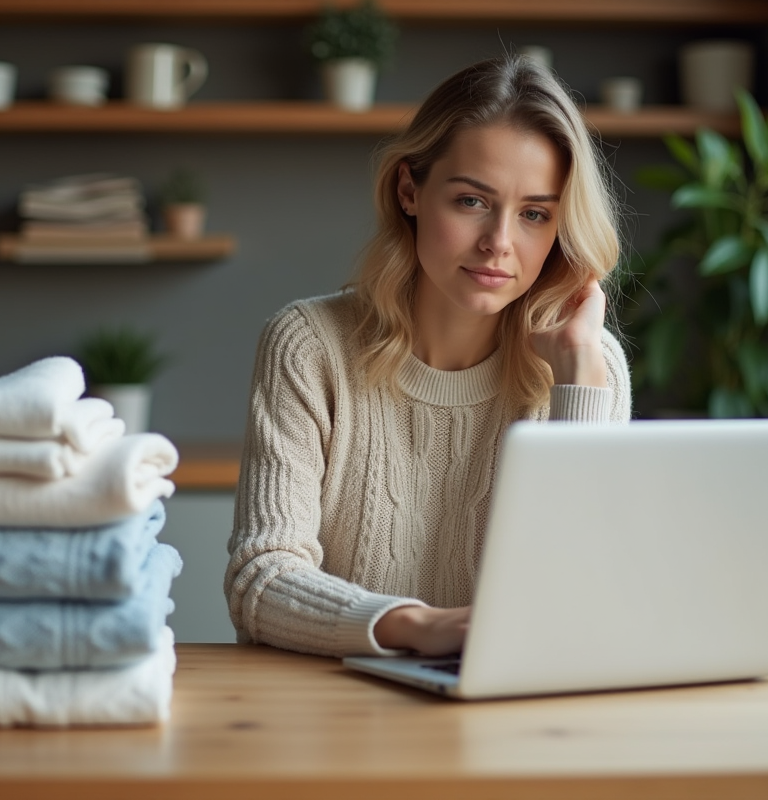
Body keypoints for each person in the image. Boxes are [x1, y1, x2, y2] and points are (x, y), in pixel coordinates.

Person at [224, 55, 632, 660]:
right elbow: (261, 579)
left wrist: (578, 381)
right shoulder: (309, 345)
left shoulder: (587, 364)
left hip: (512, 713)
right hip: (331, 709)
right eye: (472, 201)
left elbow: (582, 598)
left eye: (535, 214)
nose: (498, 242)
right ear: (410, 190)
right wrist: (415, 627)